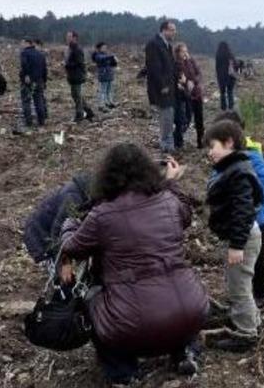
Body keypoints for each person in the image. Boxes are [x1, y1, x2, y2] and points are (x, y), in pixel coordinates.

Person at [58, 144, 208, 384]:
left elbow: (72, 248)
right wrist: (171, 182)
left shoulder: (102, 215)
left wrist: (68, 225)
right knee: (171, 301)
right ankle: (185, 351)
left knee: (91, 296)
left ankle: (122, 372)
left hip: (135, 325)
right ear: (147, 170)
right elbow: (186, 213)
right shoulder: (168, 200)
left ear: (106, 176)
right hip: (193, 310)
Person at [204, 120, 264, 352]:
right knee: (238, 282)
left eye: (213, 146)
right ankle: (251, 320)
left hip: (243, 238)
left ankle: (246, 334)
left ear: (229, 142)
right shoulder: (233, 168)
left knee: (239, 286)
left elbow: (243, 210)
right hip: (242, 236)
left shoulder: (238, 172)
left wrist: (237, 245)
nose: (210, 153)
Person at [213, 111, 264, 306]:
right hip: (235, 219)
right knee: (237, 261)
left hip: (255, 219)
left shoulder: (252, 156)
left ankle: (260, 294)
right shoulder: (225, 159)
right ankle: (241, 293)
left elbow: (260, 186)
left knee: (257, 260)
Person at [23, 173, 93, 263]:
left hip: (45, 231)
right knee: (58, 267)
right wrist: (63, 260)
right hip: (39, 235)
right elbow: (57, 229)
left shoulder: (84, 191)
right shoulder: (73, 199)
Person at [145, 21, 177, 153]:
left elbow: (170, 66)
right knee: (166, 115)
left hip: (170, 86)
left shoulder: (167, 45)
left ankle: (168, 143)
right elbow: (154, 67)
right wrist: (162, 85)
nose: (174, 33)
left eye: (175, 30)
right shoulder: (154, 44)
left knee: (169, 115)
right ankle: (166, 144)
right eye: (172, 30)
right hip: (162, 88)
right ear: (164, 30)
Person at [174, 43, 205, 148]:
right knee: (186, 119)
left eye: (186, 51)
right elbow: (181, 79)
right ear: (177, 53)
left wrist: (192, 80)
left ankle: (200, 141)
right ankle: (176, 139)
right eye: (183, 51)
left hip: (197, 93)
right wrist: (188, 81)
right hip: (186, 95)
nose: (185, 53)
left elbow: (199, 74)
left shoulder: (191, 61)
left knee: (199, 119)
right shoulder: (176, 64)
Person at [64, 31, 94, 123]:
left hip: (77, 76)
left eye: (69, 36)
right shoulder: (70, 49)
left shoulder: (77, 49)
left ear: (74, 38)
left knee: (77, 96)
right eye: (67, 36)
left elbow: (80, 63)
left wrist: (67, 65)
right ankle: (89, 112)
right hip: (73, 75)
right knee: (77, 95)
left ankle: (79, 115)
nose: (67, 38)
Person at [19, 38, 48, 128]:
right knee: (39, 101)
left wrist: (26, 75)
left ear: (27, 43)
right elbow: (44, 69)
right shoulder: (40, 54)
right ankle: (41, 121)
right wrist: (44, 81)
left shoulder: (24, 53)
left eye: (22, 42)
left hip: (28, 81)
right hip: (39, 81)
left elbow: (24, 64)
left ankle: (28, 122)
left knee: (26, 101)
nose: (21, 45)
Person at [91, 42, 118, 111]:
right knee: (103, 91)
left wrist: (114, 61)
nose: (105, 48)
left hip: (109, 74)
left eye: (106, 47)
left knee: (109, 90)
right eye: (103, 47)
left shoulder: (106, 55)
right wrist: (111, 56)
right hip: (103, 75)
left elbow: (112, 64)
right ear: (99, 48)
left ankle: (109, 102)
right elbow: (102, 58)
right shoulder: (97, 55)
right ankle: (101, 105)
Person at [215, 41, 236, 110]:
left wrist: (218, 75)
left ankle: (223, 107)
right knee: (230, 92)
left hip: (221, 77)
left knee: (222, 93)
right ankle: (231, 107)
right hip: (230, 76)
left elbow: (217, 67)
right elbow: (235, 64)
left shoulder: (218, 56)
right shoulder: (230, 55)